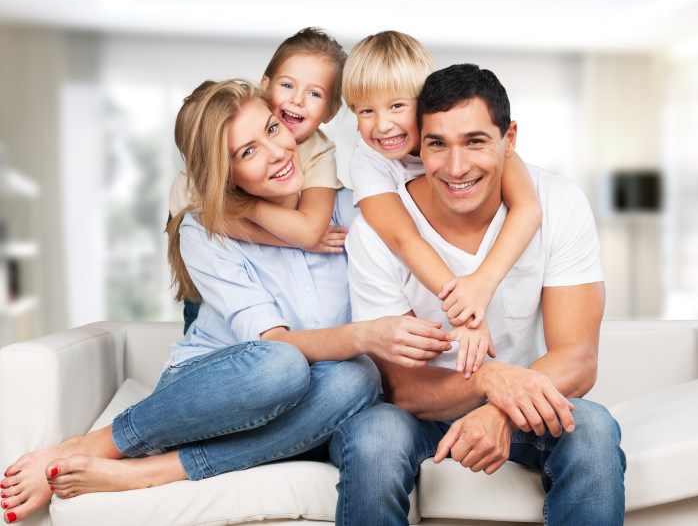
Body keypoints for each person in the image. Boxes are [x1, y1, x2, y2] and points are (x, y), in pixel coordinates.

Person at [0, 79, 452, 525]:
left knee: (359, 377)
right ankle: (91, 446)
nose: (276, 153)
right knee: (281, 364)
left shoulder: (355, 210)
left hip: (318, 405)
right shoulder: (205, 230)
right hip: (217, 393)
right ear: (225, 172)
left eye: (273, 130)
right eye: (247, 152)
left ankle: (155, 472)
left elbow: (442, 181)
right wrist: (363, 334)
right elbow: (276, 344)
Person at [330, 64, 626, 525]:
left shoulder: (559, 201)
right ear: (417, 144)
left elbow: (578, 358)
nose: (456, 167)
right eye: (437, 144)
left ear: (509, 139)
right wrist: (488, 381)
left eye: (475, 141)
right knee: (373, 437)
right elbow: (403, 388)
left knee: (590, 428)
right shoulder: (376, 231)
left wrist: (501, 412)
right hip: (420, 414)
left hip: (523, 403)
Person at [342, 31, 544, 378]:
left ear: (423, 104)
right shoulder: (369, 161)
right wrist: (465, 311)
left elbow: (528, 208)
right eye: (366, 111)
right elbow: (403, 238)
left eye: (396, 106)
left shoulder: (472, 135)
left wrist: (482, 284)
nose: (382, 124)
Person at [170, 27, 349, 333]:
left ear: (331, 112)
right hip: (213, 272)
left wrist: (244, 208)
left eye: (315, 93)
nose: (297, 100)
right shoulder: (207, 165)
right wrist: (250, 209)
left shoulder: (318, 152)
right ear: (265, 87)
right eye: (288, 85)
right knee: (206, 320)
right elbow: (203, 221)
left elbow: (308, 231)